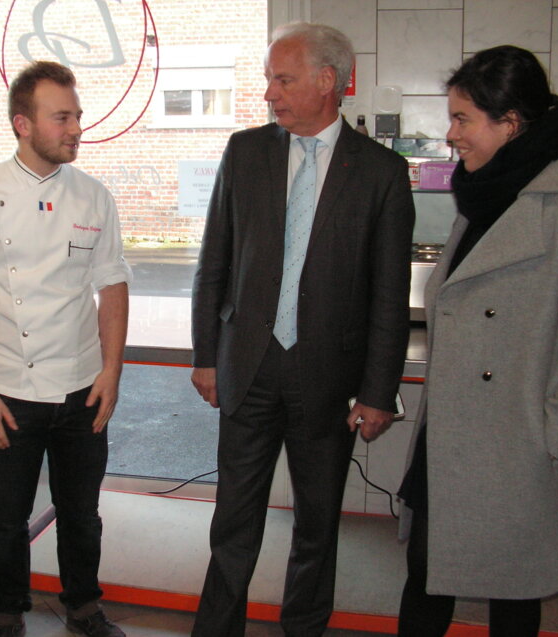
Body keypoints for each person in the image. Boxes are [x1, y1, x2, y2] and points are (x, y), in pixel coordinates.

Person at [190, 22, 415, 636]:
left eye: (283, 80)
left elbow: (389, 297)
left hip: (328, 377)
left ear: (327, 81)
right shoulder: (246, 153)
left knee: (316, 527)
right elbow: (214, 263)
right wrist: (206, 356)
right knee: (233, 523)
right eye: (269, 79)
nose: (270, 93)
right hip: (248, 368)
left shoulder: (382, 173)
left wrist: (378, 392)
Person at [396, 45, 558, 637]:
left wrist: (552, 434)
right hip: (453, 438)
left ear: (510, 123)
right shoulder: (485, 191)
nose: (451, 134)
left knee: (513, 594)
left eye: (462, 119)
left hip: (519, 446)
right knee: (425, 574)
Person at [0, 60, 131, 637]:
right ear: (23, 124)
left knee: (82, 514)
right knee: (7, 518)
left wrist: (111, 371)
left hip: (81, 384)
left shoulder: (93, 197)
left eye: (77, 116)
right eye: (62, 118)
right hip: (11, 391)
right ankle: (7, 612)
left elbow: (112, 285)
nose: (76, 128)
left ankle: (83, 606)